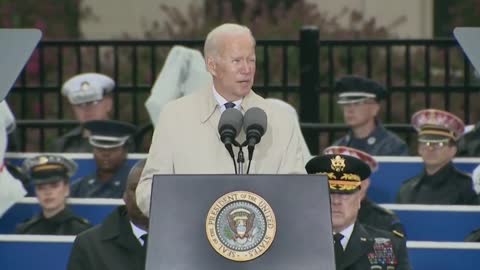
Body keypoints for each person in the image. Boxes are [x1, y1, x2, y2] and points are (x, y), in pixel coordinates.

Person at [136, 23, 306, 217]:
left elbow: (297, 192)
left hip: (265, 241)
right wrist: (188, 212)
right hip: (192, 239)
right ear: (212, 66)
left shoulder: (281, 120)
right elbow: (147, 191)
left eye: (251, 60)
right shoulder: (175, 116)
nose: (247, 69)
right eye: (237, 61)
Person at [306, 154, 411, 270]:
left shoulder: (390, 246)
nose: (336, 201)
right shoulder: (297, 245)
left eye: (345, 193)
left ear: (359, 199)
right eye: (328, 193)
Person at [67, 159, 149, 270]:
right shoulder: (90, 245)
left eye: (151, 189)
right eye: (135, 189)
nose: (143, 198)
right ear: (124, 196)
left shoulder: (180, 244)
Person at [396, 109, 478, 205]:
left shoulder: (468, 188)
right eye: (426, 143)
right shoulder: (407, 190)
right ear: (419, 149)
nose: (430, 148)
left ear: (453, 150)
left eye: (439, 144)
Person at [324, 146, 405, 237]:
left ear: (365, 184)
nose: (336, 200)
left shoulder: (384, 223)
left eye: (346, 189)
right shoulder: (313, 218)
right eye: (331, 188)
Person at [332, 75, 409, 156]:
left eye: (357, 104)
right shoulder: (337, 148)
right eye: (346, 104)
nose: (350, 110)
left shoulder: (393, 147)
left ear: (374, 108)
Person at [16, 154, 91, 235]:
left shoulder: (82, 231)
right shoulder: (25, 230)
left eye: (54, 186)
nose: (47, 192)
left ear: (66, 189)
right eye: (41, 187)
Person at [70, 120, 137, 198]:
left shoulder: (137, 185)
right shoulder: (79, 187)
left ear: (125, 152)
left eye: (113, 149)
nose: (105, 154)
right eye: (100, 149)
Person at [51, 73, 115, 153]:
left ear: (108, 104)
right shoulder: (64, 145)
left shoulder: (128, 141)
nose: (87, 109)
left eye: (93, 103)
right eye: (80, 105)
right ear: (73, 109)